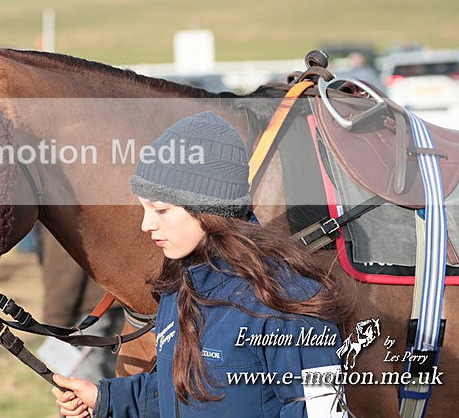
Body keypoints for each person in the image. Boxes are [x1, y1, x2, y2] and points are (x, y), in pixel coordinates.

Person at [52, 112, 353, 418]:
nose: (146, 225)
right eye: (144, 209)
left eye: (160, 210)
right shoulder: (178, 289)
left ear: (208, 209)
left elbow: (321, 412)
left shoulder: (287, 303)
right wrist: (106, 399)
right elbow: (181, 390)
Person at [37, 224, 124, 381]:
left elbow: (63, 265)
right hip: (122, 300)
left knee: (86, 392)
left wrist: (55, 322)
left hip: (89, 316)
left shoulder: (65, 202)